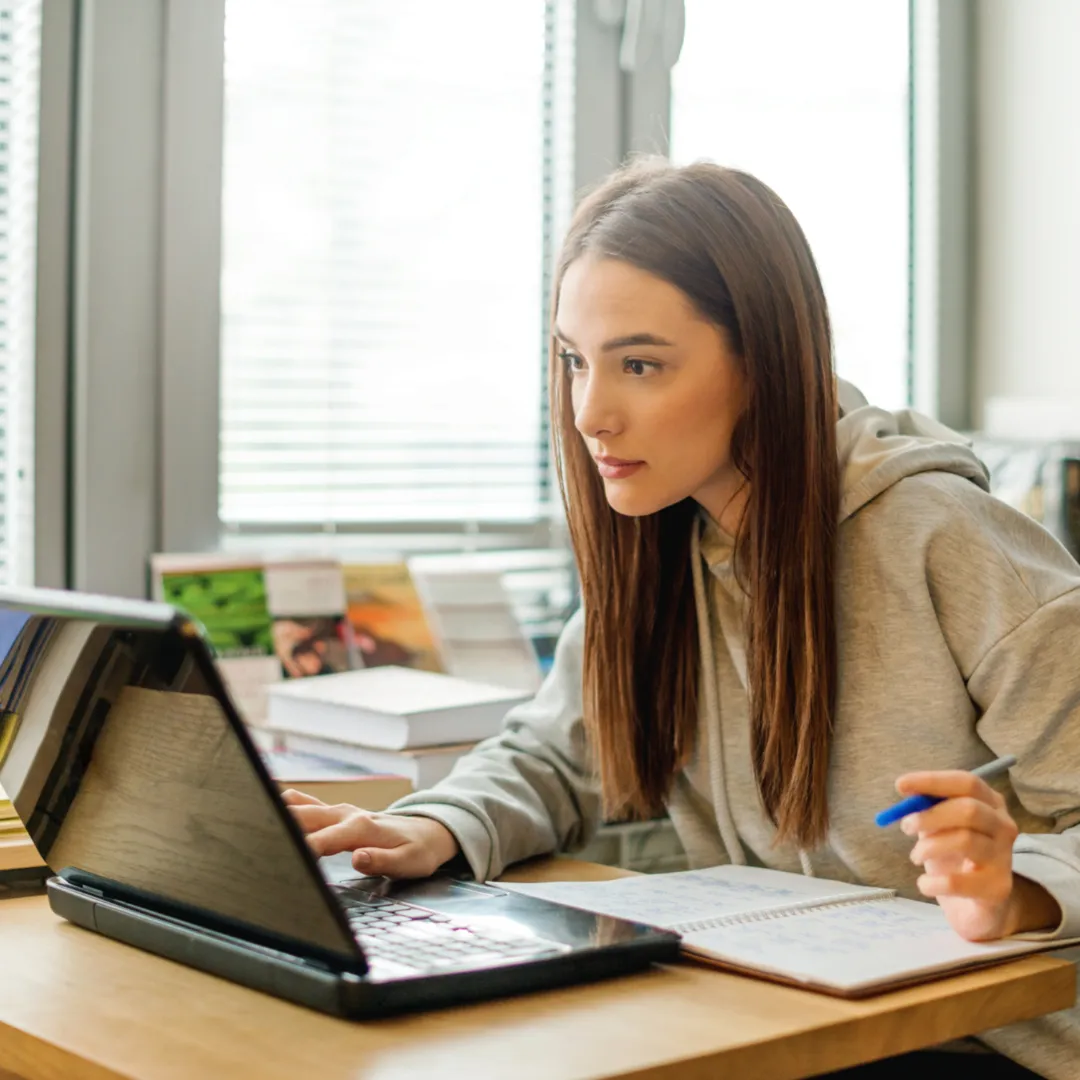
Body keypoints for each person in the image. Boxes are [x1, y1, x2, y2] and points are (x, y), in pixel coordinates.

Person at [282, 159, 1080, 1078]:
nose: (591, 413)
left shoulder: (945, 540)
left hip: (1000, 1038)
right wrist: (441, 827)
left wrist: (1013, 889)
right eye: (575, 361)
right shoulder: (669, 539)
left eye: (640, 365)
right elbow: (555, 756)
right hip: (792, 1013)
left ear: (764, 362)